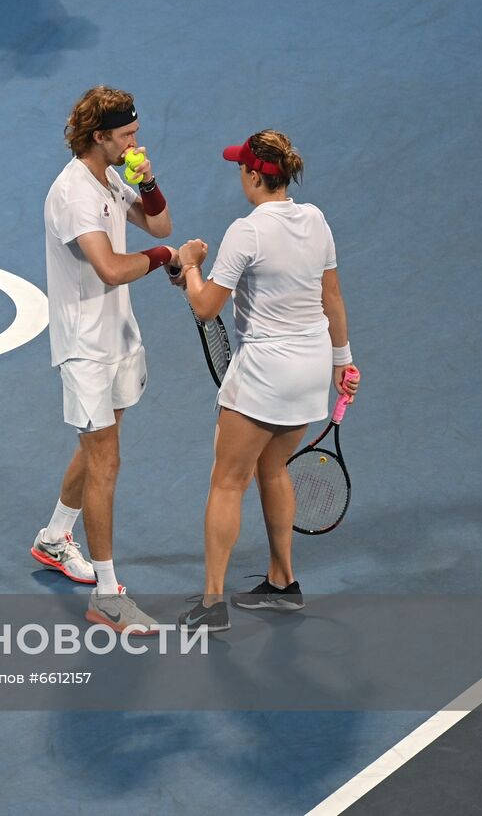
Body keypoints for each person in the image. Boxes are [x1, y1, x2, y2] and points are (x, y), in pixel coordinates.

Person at [173, 130, 361, 632]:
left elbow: (205, 305)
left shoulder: (247, 231)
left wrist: (190, 266)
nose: (239, 174)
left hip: (264, 374)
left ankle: (212, 606)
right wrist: (344, 362)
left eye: (241, 168)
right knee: (273, 469)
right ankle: (283, 584)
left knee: (227, 481)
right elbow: (333, 297)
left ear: (255, 176)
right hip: (311, 371)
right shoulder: (316, 220)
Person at [32, 85, 185, 633]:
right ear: (100, 137)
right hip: (85, 350)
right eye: (127, 136)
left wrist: (147, 180)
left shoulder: (111, 177)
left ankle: (54, 538)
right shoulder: (74, 193)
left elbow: (159, 224)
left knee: (99, 447)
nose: (135, 142)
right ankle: (108, 595)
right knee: (106, 461)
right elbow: (114, 269)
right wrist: (168, 258)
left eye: (136, 133)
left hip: (119, 338)